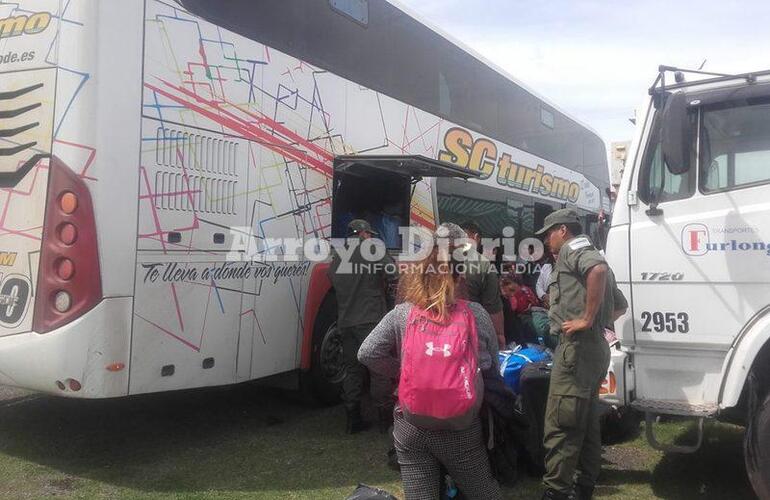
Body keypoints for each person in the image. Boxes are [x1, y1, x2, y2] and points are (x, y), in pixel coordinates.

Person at [358, 225, 503, 500]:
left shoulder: (402, 314)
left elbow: (367, 352)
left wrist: (403, 373)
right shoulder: (476, 314)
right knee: (484, 493)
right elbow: (490, 366)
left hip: (411, 424)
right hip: (461, 428)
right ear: (460, 275)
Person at [534, 209, 621, 500]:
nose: (547, 240)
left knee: (561, 424)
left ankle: (556, 492)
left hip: (577, 349)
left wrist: (585, 318)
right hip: (593, 348)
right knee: (585, 423)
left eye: (548, 233)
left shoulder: (575, 249)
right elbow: (619, 306)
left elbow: (596, 270)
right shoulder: (590, 254)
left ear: (562, 230)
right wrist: (596, 322)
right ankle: (583, 488)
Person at [328, 219, 396, 434]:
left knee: (352, 368)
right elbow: (393, 272)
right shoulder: (372, 248)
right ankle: (385, 418)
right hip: (370, 318)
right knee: (378, 369)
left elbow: (331, 277)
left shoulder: (338, 254)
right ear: (365, 233)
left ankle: (353, 418)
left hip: (346, 320)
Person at [458, 221, 506, 348]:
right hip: (470, 332)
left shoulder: (435, 259)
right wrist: (500, 336)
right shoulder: (483, 264)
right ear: (476, 237)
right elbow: (492, 308)